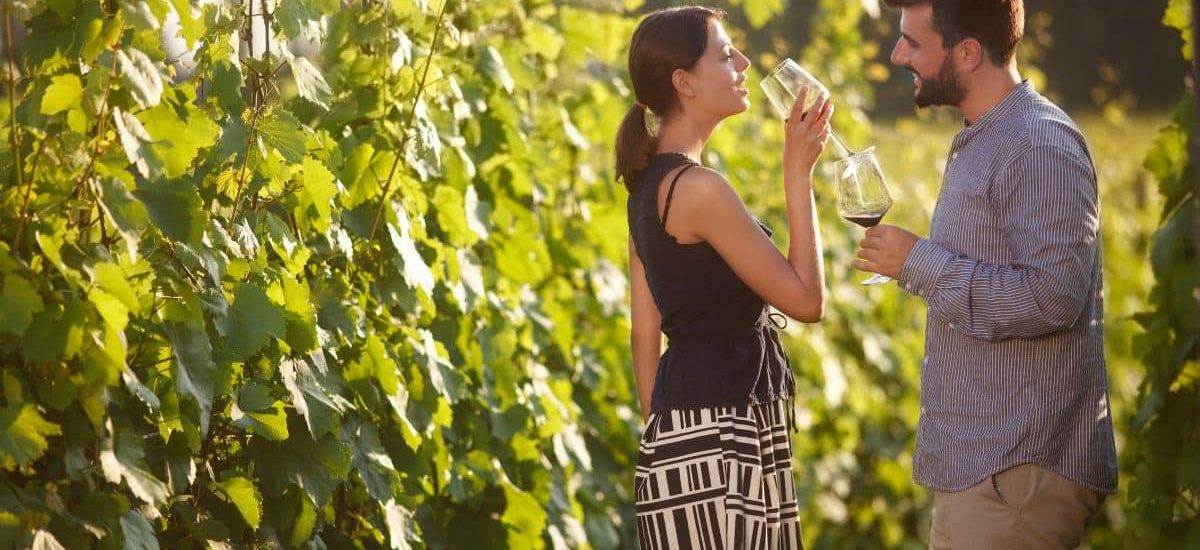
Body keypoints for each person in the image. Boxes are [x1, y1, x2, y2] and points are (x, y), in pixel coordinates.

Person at [855, 1, 1118, 548]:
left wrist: (917, 262)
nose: (897, 54)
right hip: (986, 474)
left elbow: (1053, 297)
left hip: (1016, 477)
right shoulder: (989, 138)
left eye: (913, 42)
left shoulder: (1038, 145)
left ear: (968, 53)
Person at [615, 6, 831, 549]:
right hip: (724, 440)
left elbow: (644, 334)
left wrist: (670, 443)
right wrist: (797, 174)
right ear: (684, 82)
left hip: (678, 443)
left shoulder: (644, 190)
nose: (743, 62)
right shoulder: (700, 189)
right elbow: (807, 301)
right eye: (724, 53)